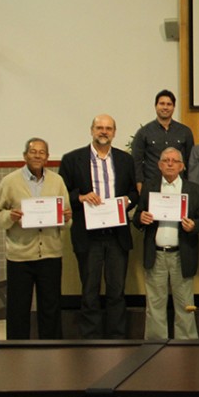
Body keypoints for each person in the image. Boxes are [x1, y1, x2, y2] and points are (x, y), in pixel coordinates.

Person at [59, 114, 139, 339]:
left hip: (116, 235)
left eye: (108, 128)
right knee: (90, 291)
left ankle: (117, 338)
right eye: (99, 128)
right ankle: (91, 339)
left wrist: (128, 201)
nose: (104, 132)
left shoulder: (125, 160)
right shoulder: (72, 159)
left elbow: (134, 192)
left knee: (116, 291)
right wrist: (81, 197)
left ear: (114, 132)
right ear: (91, 130)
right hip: (88, 235)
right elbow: (63, 194)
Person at [0, 137, 72, 339]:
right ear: (25, 155)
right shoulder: (10, 182)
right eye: (33, 151)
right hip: (20, 256)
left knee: (51, 307)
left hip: (50, 254)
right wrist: (10, 216)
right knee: (18, 308)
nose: (37, 155)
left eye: (42, 152)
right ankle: (16, 351)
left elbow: (67, 218)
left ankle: (52, 349)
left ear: (47, 157)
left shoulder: (57, 181)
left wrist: (65, 218)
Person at [132, 148, 199, 340]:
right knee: (155, 306)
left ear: (182, 166)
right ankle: (155, 347)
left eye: (175, 161)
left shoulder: (194, 190)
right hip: (156, 254)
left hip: (181, 255)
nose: (170, 164)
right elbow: (137, 217)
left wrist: (194, 226)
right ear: (159, 164)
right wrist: (141, 217)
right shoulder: (150, 187)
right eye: (165, 160)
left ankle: (186, 347)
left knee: (185, 305)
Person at [131, 89, 194, 193]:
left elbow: (190, 161)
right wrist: (139, 185)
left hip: (178, 186)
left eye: (169, 104)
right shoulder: (144, 132)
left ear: (174, 107)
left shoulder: (185, 131)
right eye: (162, 104)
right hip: (152, 186)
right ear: (156, 106)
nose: (165, 107)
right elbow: (136, 162)